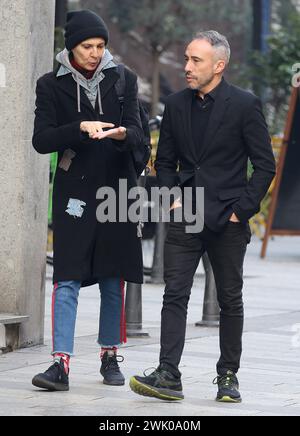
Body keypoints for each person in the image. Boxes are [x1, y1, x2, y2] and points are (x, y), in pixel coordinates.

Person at [130, 31, 276, 403]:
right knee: (174, 293)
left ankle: (228, 376)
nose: (187, 67)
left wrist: (240, 211)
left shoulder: (245, 104)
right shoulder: (177, 105)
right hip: (186, 214)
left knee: (230, 299)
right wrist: (172, 200)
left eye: (196, 61)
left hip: (228, 218)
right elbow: (164, 162)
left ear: (219, 65)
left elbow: (264, 165)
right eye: (186, 59)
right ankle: (168, 373)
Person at [31, 10, 144, 391]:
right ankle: (60, 364)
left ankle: (109, 355)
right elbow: (41, 140)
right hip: (74, 193)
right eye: (87, 46)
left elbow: (140, 139)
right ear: (71, 48)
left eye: (100, 46)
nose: (95, 53)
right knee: (67, 277)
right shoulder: (50, 85)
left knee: (113, 276)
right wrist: (79, 128)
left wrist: (122, 135)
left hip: (116, 190)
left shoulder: (124, 79)